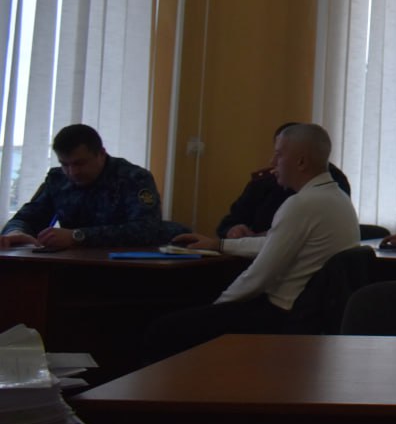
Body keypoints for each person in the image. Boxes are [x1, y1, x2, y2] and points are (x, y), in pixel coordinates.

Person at [144, 124, 360, 360]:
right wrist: (219, 245)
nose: (272, 162)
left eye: (278, 154)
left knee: (164, 329)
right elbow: (273, 243)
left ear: (301, 162)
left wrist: (217, 306)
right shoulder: (337, 198)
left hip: (282, 316)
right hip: (311, 315)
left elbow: (259, 276)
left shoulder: (301, 204)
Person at [1, 123, 180, 251]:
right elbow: (27, 217)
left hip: (128, 267)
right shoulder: (58, 179)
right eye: (65, 164)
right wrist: (15, 233)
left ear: (101, 154)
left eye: (79, 163)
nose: (72, 172)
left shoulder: (134, 178)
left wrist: (77, 236)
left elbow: (146, 230)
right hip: (73, 264)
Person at [216, 122, 352, 238]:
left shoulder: (331, 182)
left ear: (301, 159)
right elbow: (227, 224)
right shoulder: (262, 183)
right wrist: (233, 230)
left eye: (279, 154)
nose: (272, 161)